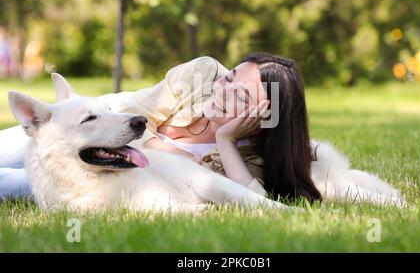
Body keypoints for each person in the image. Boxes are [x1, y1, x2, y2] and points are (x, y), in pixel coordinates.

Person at [0, 52, 321, 203]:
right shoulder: (203, 74)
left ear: (264, 116)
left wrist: (225, 140)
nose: (223, 88)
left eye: (241, 95)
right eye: (231, 75)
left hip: (94, 171)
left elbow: (252, 201)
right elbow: (136, 114)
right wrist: (166, 151)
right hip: (97, 121)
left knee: (12, 184)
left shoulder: (250, 155)